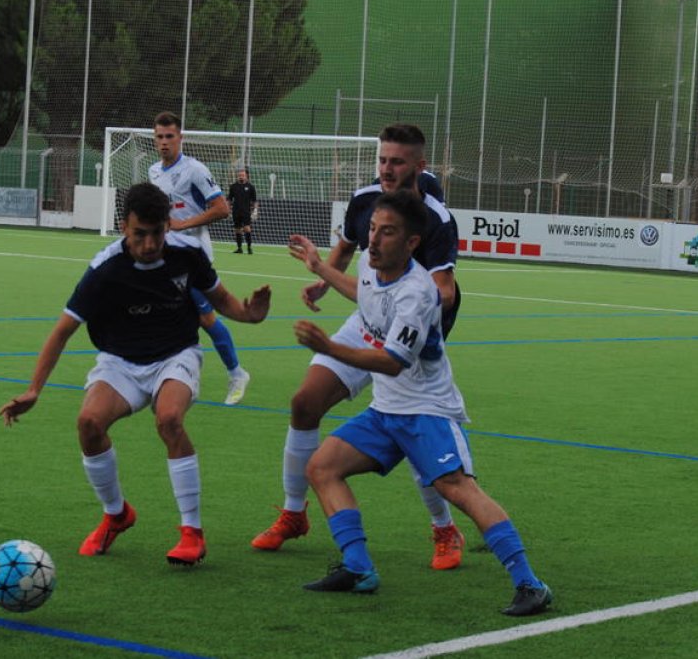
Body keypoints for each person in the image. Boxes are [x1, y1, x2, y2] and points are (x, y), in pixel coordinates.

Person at [288, 190, 552, 616]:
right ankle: (358, 568)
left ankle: (530, 583)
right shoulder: (373, 269)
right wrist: (320, 267)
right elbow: (364, 293)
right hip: (385, 412)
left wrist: (330, 347)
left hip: (427, 411)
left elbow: (392, 362)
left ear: (412, 243)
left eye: (387, 232)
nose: (373, 240)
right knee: (321, 467)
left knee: (456, 488)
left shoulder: (418, 292)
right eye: (372, 229)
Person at [0, 182, 271, 566]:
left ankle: (191, 532)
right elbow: (62, 330)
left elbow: (222, 301)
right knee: (89, 423)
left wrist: (250, 315)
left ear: (168, 225)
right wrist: (33, 390)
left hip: (176, 354)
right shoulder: (104, 268)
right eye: (139, 234)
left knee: (170, 419)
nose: (149, 244)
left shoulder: (187, 254)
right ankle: (116, 514)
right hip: (120, 362)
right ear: (124, 226)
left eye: (157, 232)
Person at [251, 124, 467, 571]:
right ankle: (294, 513)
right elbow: (347, 248)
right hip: (366, 321)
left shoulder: (436, 218)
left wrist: (410, 299)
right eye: (383, 160)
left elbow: (445, 290)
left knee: (412, 432)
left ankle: (444, 528)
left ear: (419, 166)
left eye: (398, 162)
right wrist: (322, 279)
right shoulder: (364, 199)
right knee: (304, 403)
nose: (387, 169)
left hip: (410, 341)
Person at [147, 112, 252, 406]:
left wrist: (183, 224)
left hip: (193, 258)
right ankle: (172, 375)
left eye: (170, 136)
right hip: (165, 256)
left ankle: (236, 373)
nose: (164, 142)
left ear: (180, 138)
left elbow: (221, 208)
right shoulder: (154, 171)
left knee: (206, 318)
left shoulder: (194, 170)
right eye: (159, 137)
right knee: (167, 313)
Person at [228, 169, 258, 254]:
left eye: (243, 175)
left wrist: (255, 211)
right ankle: (239, 248)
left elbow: (254, 201)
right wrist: (228, 209)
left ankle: (249, 247)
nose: (241, 176)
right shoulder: (233, 186)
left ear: (246, 176)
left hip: (246, 211)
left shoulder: (251, 187)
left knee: (247, 228)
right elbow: (229, 199)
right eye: (240, 175)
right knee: (237, 230)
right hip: (236, 211)